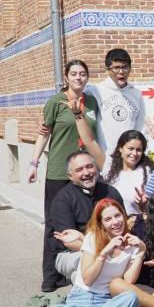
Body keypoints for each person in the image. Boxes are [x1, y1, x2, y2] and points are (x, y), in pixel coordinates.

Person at [47, 199, 143, 307]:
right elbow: (88, 279)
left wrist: (141, 252)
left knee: (131, 297)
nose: (115, 222)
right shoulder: (92, 238)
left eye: (118, 216)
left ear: (124, 216)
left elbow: (129, 280)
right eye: (108, 219)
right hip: (82, 297)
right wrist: (104, 253)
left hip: (107, 301)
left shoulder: (131, 243)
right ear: (101, 223)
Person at [28, 60, 99, 244]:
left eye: (82, 73)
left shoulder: (91, 102)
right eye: (74, 74)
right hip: (60, 172)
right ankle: (52, 272)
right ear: (66, 77)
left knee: (84, 221)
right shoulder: (56, 102)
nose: (78, 77)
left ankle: (77, 269)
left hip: (85, 171)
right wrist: (33, 164)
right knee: (55, 225)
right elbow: (43, 134)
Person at [42, 151, 123, 292]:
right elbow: (70, 242)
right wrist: (103, 252)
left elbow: (123, 225)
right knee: (84, 266)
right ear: (70, 176)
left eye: (89, 166)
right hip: (71, 253)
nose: (86, 172)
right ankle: (86, 300)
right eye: (79, 170)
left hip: (111, 248)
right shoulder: (62, 200)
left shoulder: (111, 192)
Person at [86, 49, 150, 154]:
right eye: (116, 68)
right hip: (105, 157)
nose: (121, 71)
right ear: (107, 69)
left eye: (125, 67)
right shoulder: (94, 92)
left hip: (130, 158)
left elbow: (141, 127)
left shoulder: (136, 94)